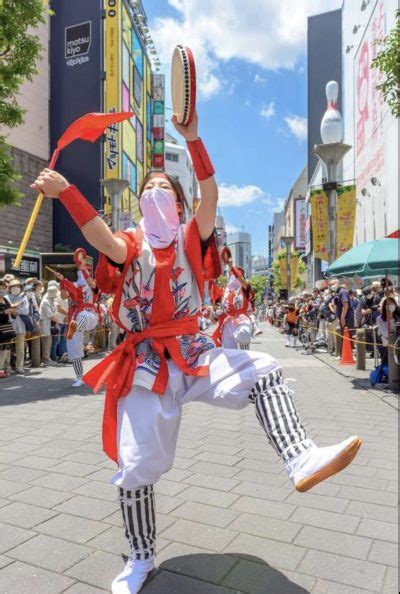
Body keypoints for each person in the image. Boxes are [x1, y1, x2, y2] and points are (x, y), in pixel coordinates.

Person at [32, 110, 361, 594]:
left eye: (166, 188)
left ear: (180, 204)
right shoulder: (131, 243)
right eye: (150, 187)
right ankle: (140, 559)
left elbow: (211, 194)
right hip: (145, 364)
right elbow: (100, 237)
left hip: (195, 349)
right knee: (137, 465)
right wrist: (68, 193)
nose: (156, 192)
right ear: (140, 203)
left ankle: (300, 458)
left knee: (263, 369)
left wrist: (193, 139)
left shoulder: (191, 238)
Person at [56, 253, 99, 387]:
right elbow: (64, 296)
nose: (81, 273)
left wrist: (83, 267)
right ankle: (79, 377)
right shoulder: (74, 285)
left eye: (85, 271)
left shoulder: (94, 285)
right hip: (75, 316)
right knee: (73, 346)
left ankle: (75, 329)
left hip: (90, 315)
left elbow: (91, 283)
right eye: (79, 271)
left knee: (83, 316)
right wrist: (62, 282)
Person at [214, 259, 253, 350]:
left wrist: (232, 267)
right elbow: (216, 303)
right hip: (228, 321)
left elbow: (242, 282)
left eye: (236, 275)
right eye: (232, 276)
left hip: (241, 319)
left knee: (243, 336)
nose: (233, 278)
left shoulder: (244, 288)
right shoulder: (225, 291)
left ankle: (245, 361)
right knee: (228, 351)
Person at [7, 278, 29, 373]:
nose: (15, 288)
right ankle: (7, 367)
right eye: (13, 286)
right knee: (7, 348)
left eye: (17, 286)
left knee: (20, 348)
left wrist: (17, 311)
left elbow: (26, 311)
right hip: (8, 327)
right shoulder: (6, 298)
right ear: (10, 288)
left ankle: (19, 366)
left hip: (20, 326)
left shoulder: (23, 298)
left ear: (20, 287)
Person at [39, 282, 59, 366]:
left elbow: (54, 311)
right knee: (46, 343)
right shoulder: (45, 301)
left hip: (49, 325)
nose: (56, 295)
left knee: (49, 342)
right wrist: (57, 321)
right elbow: (50, 315)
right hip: (44, 325)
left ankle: (47, 358)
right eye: (55, 293)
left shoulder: (50, 300)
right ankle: (46, 359)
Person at [376, 297, 399, 366]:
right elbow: (385, 333)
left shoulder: (398, 317)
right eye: (389, 304)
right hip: (385, 341)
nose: (391, 306)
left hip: (397, 340)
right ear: (385, 306)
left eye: (393, 304)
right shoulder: (380, 319)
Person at [0, 279, 16, 378]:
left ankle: (7, 368)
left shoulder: (5, 300)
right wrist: (3, 312)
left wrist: (13, 312)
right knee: (1, 349)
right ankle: (1, 369)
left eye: (3, 288)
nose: (2, 289)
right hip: (0, 328)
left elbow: (12, 313)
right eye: (0, 287)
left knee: (7, 348)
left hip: (7, 328)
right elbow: (4, 312)